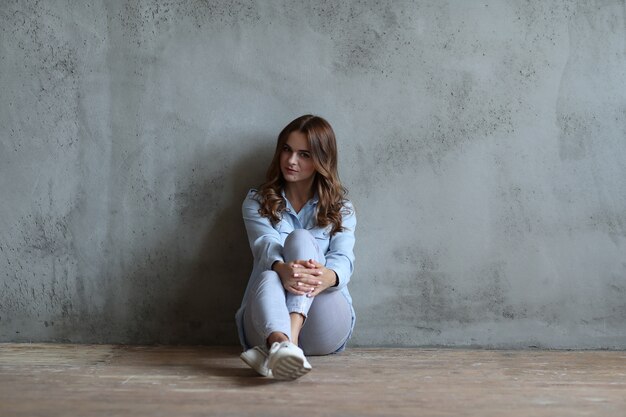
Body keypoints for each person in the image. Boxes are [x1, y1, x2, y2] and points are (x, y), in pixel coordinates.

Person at [235, 115, 356, 380]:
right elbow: (264, 246)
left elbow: (343, 259)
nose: (291, 161)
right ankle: (282, 343)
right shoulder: (257, 202)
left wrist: (329, 276)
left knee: (300, 238)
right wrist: (281, 268)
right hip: (266, 322)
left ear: (322, 161)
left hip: (325, 321)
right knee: (269, 273)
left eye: (304, 154)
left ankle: (285, 343)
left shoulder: (341, 210)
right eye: (287, 150)